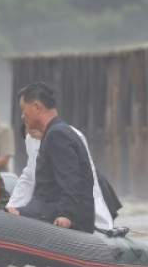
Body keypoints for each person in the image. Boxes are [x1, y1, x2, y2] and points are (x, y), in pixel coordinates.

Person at [6, 82, 95, 233]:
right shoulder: (56, 132)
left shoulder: (57, 135)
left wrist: (66, 214)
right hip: (45, 208)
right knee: (8, 214)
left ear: (36, 107)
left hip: (58, 215)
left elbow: (72, 180)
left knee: (8, 219)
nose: (22, 116)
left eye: (23, 109)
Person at [8, 124, 121, 232]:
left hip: (94, 187)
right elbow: (29, 176)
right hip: (63, 196)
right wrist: (12, 207)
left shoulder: (67, 135)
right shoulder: (30, 139)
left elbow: (83, 181)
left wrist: (101, 223)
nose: (31, 131)